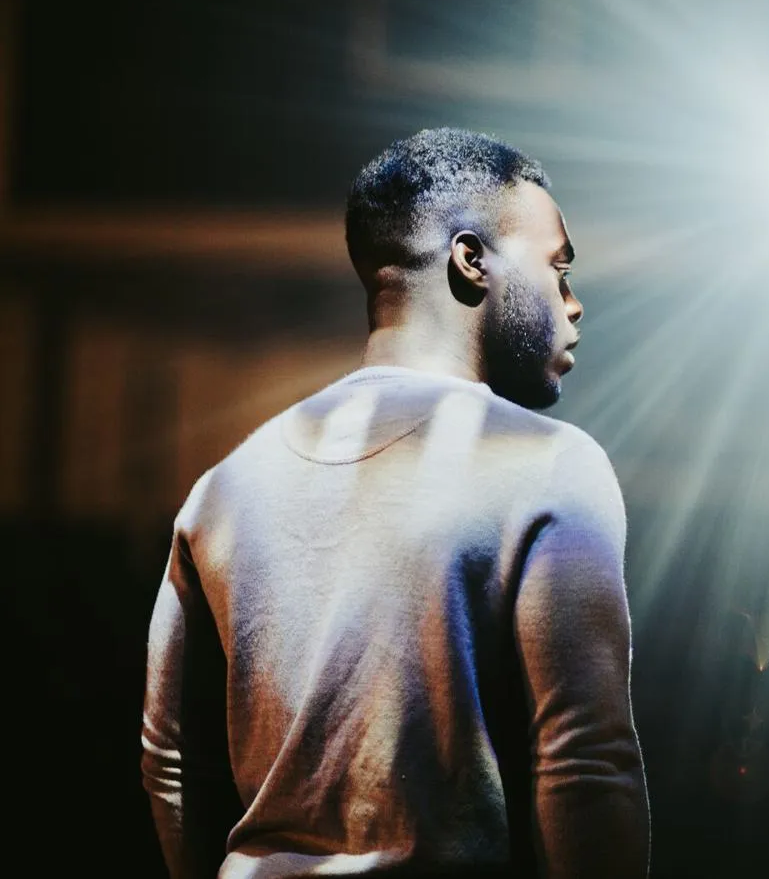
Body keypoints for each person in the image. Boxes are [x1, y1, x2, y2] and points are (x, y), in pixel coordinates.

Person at [141, 128, 649, 879]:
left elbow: (171, 767)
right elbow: (586, 767)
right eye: (558, 268)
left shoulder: (222, 489)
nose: (573, 306)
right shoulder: (549, 463)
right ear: (471, 260)